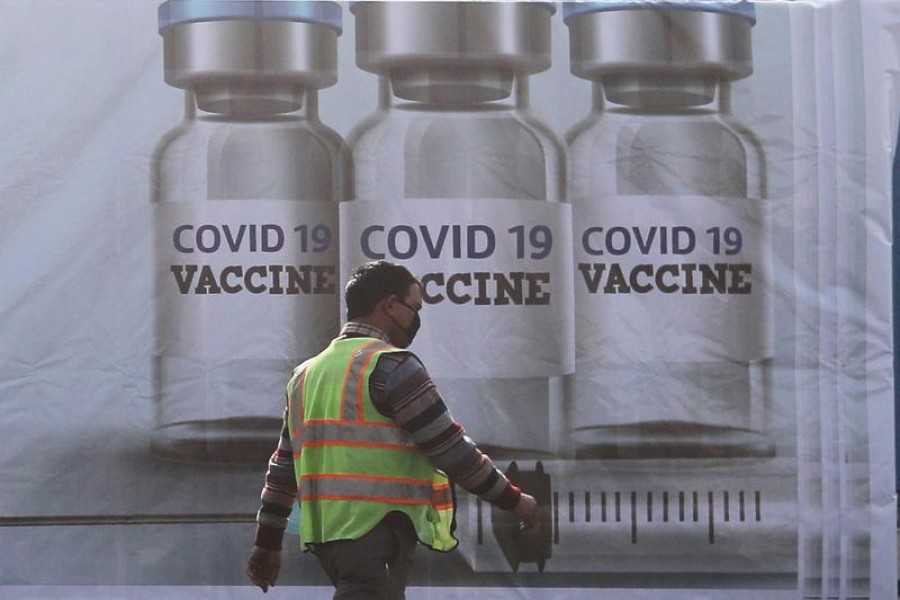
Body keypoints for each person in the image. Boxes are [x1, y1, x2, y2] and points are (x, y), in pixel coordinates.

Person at [246, 260, 539, 598]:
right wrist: (515, 501)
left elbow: (283, 470)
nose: (417, 319)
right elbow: (451, 450)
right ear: (389, 305)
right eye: (414, 308)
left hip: (331, 539)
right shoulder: (393, 367)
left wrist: (267, 542)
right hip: (379, 532)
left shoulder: (305, 375)